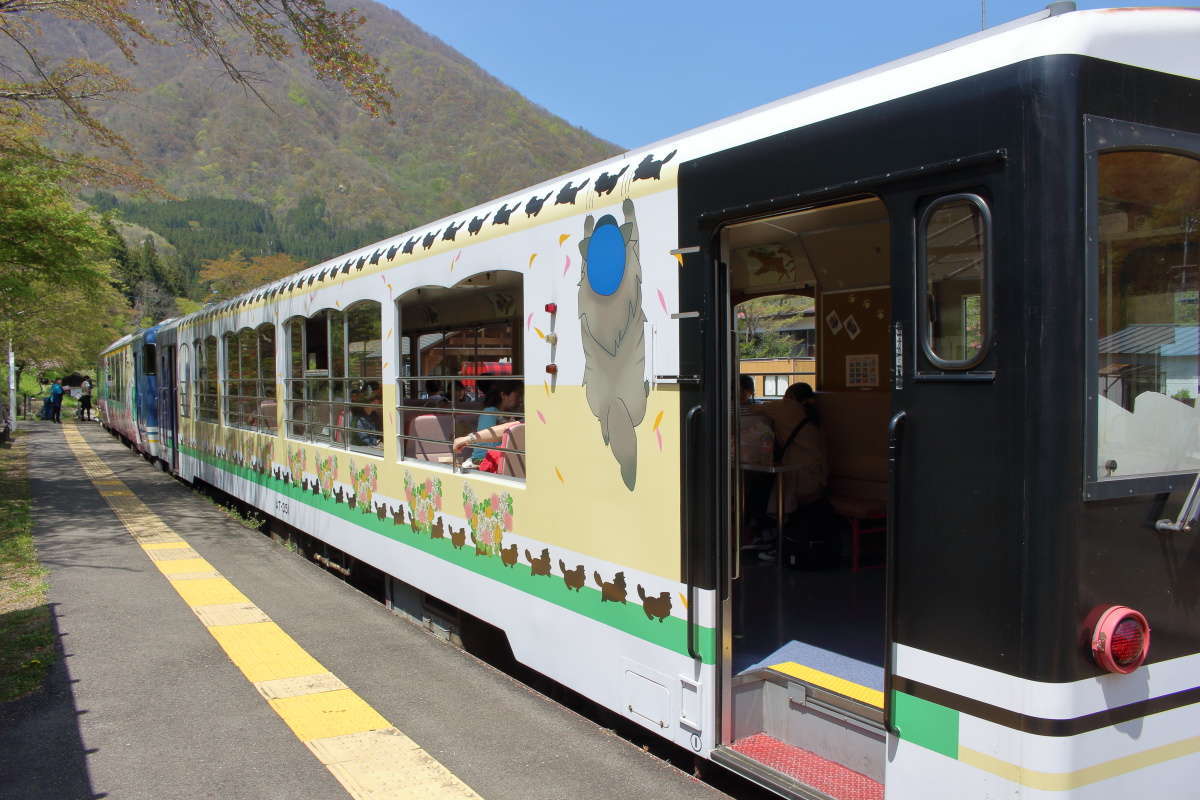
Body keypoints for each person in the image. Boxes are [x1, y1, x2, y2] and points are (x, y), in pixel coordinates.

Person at [452, 382, 523, 467]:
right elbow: (488, 446)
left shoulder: (508, 415)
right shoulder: (490, 412)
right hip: (481, 460)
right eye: (518, 395)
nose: (521, 400)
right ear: (503, 395)